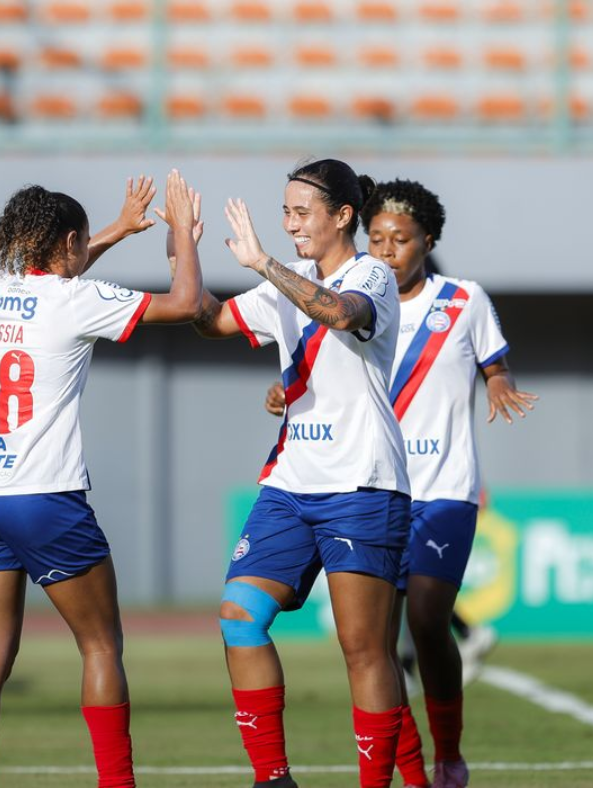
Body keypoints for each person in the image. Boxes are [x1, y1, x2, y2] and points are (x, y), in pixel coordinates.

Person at [264, 178, 537, 787]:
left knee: (429, 619)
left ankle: (449, 754)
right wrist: (285, 391)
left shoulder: (462, 300)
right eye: (379, 238)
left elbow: (496, 362)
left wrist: (497, 383)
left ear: (427, 241)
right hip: (376, 486)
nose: (388, 250)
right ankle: (408, 772)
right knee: (375, 647)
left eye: (402, 239)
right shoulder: (353, 297)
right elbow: (315, 376)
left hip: (444, 487)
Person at [0, 171, 202, 788]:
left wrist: (116, 227)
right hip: (42, 499)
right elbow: (188, 304)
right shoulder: (74, 301)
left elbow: (61, 269)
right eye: (83, 242)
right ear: (66, 242)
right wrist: (185, 237)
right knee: (100, 646)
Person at [181, 159, 412, 788]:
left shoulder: (373, 274)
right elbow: (210, 321)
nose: (289, 225)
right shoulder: (284, 279)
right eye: (284, 212)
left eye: (300, 212)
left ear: (342, 216)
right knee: (238, 615)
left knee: (364, 649)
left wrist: (263, 266)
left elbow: (340, 314)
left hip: (361, 484)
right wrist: (185, 248)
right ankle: (273, 779)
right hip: (290, 484)